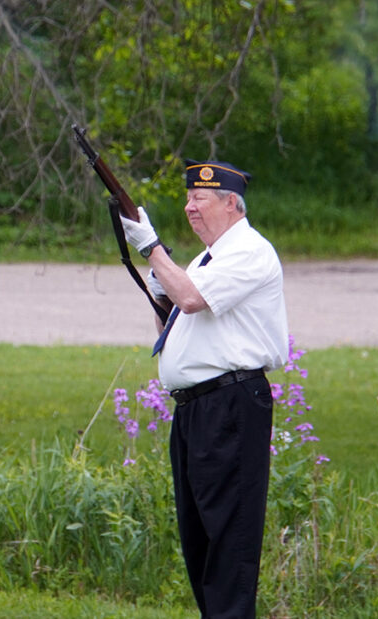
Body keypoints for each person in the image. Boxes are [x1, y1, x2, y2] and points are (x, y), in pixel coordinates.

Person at [120, 159, 289, 618]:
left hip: (230, 405)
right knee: (200, 539)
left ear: (232, 204)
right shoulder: (204, 259)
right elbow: (174, 323)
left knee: (228, 540)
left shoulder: (249, 250)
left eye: (200, 198)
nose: (189, 207)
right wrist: (160, 286)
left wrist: (152, 247)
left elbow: (193, 299)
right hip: (197, 409)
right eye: (188, 197)